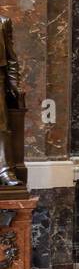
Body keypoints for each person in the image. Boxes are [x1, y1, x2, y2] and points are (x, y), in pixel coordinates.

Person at [0, 16, 21, 186]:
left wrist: (13, 83)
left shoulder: (3, 21)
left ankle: (4, 170)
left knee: (1, 125)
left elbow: (11, 55)